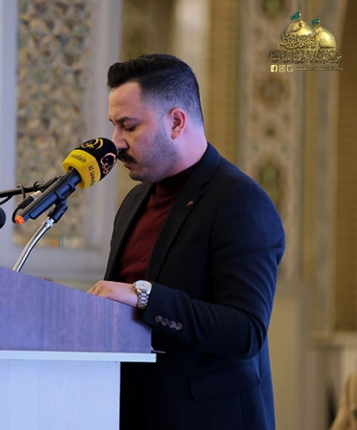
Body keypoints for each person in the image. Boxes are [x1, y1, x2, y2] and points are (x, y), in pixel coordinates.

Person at [88, 54, 285, 429]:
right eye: (114, 126)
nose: (116, 143)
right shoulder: (134, 202)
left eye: (129, 126)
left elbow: (245, 331)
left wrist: (144, 296)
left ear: (176, 122)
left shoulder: (240, 201)